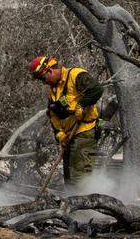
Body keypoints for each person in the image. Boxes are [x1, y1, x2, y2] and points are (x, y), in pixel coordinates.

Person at [28, 55, 103, 185]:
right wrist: (60, 135)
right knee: (69, 177)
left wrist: (81, 105)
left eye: (43, 78)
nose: (44, 82)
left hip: (84, 131)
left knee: (79, 175)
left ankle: (85, 202)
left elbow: (96, 90)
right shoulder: (53, 91)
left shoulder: (75, 75)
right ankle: (70, 202)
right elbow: (53, 115)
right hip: (69, 136)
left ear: (49, 70)